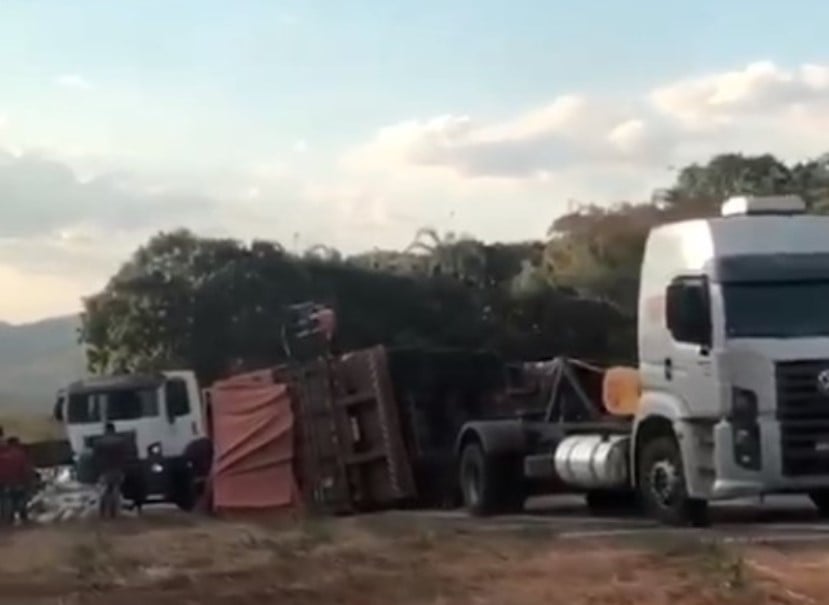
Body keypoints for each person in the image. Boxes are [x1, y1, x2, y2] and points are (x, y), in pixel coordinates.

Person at [92, 422, 128, 519]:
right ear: (114, 429)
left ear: (105, 430)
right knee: (116, 490)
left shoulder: (98, 442)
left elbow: (96, 457)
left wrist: (97, 470)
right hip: (117, 469)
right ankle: (113, 512)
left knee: (104, 491)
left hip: (105, 470)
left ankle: (103, 511)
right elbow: (124, 457)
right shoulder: (121, 441)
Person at [4, 437, 33, 525]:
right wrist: (29, 483)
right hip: (19, 483)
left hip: (6, 484)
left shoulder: (3, 455)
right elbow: (26, 470)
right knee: (21, 503)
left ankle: (9, 522)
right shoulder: (21, 455)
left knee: (8, 506)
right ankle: (24, 520)